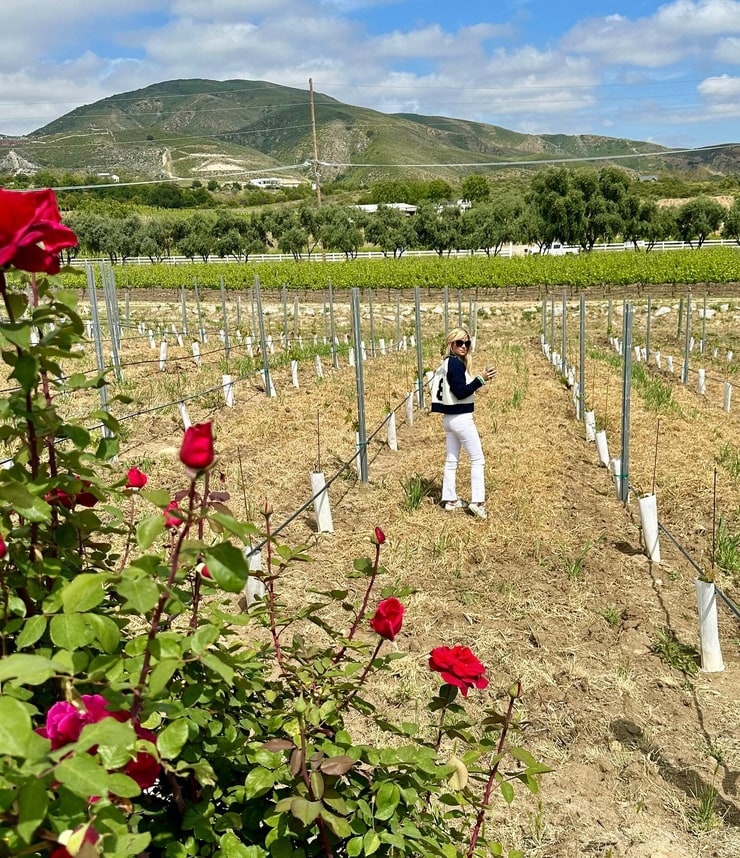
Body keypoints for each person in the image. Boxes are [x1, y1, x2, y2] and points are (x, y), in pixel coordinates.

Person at [430, 327, 496, 520]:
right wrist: (480, 379)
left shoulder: (445, 364)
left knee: (452, 460)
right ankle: (478, 502)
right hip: (461, 419)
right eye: (460, 343)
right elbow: (460, 391)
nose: (464, 346)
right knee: (477, 459)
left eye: (467, 343)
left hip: (448, 419)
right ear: (451, 344)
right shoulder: (456, 365)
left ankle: (450, 499)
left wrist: (479, 379)